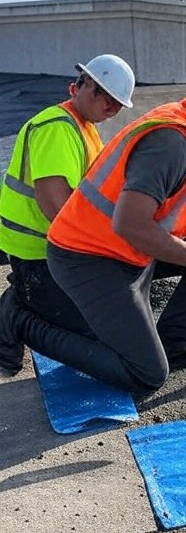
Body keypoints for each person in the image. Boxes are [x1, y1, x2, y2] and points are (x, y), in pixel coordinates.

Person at [1, 67, 186, 394]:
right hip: (88, 257)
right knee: (145, 374)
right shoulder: (171, 141)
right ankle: (21, 320)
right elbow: (129, 223)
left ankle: (174, 342)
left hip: (133, 250)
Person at [0, 54, 136, 376]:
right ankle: (17, 311)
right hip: (37, 252)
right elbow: (54, 206)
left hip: (55, 246)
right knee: (89, 335)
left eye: (117, 103)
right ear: (80, 86)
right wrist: (97, 254)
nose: (111, 108)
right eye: (103, 96)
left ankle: (23, 299)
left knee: (105, 319)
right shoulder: (56, 127)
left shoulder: (85, 128)